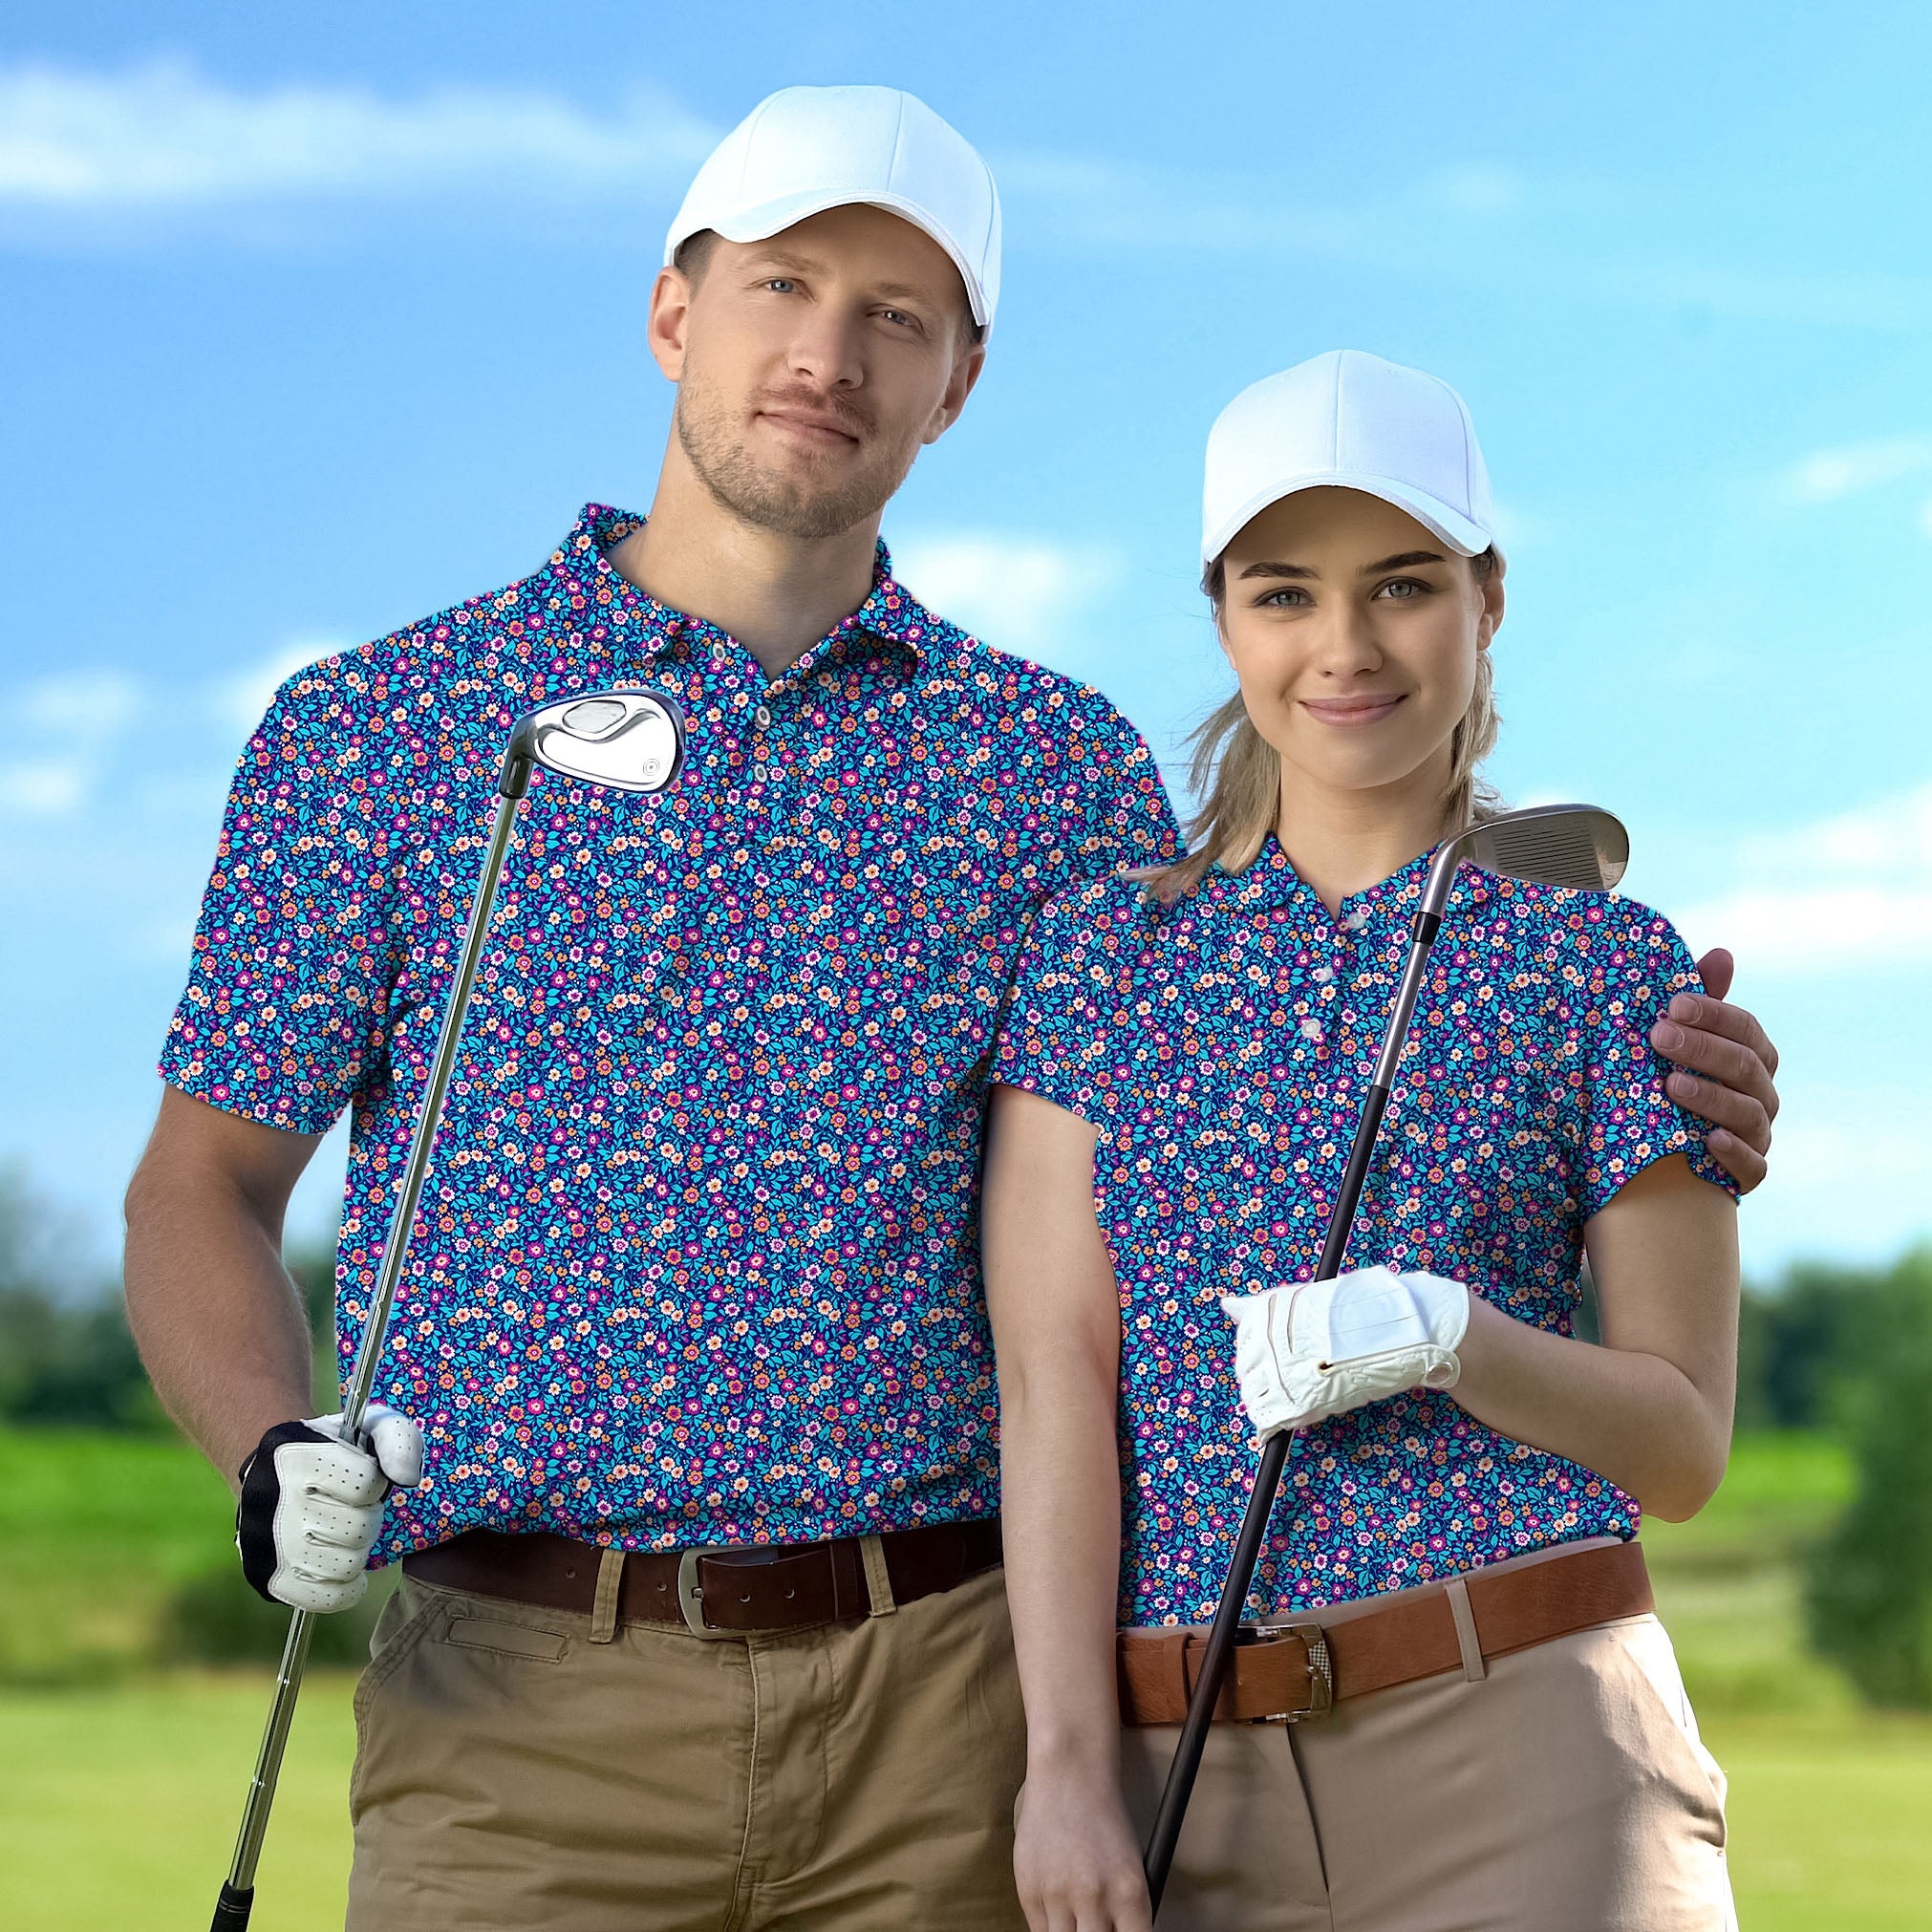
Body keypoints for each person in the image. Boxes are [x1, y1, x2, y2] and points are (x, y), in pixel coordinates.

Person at [118, 79, 1776, 1928]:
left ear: (958, 381)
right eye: (782, 287)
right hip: (516, 1711)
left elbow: (1269, 1000)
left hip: (946, 1705)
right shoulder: (385, 731)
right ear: (674, 309)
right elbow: (201, 1186)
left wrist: (1620, 1022)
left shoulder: (1051, 766)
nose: (828, 353)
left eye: (895, 317)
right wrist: (271, 1450)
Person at [984, 350, 1749, 1930]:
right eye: (1283, 594)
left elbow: (1678, 1447)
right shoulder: (1095, 960)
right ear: (1220, 618)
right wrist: (1062, 1762)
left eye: (1400, 584)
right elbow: (1056, 1382)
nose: (1343, 646)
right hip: (1186, 1772)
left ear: (1484, 600)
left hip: (1530, 1736)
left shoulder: (1601, 961)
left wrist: (1449, 1335)